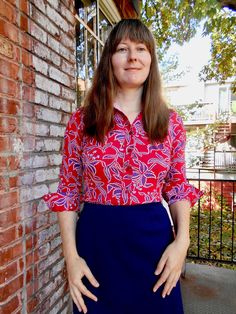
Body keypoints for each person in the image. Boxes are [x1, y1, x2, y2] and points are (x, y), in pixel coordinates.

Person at [43, 19, 202, 314]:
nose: (133, 57)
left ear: (150, 59)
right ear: (109, 60)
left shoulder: (171, 122)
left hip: (154, 248)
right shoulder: (82, 121)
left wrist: (182, 243)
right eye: (122, 49)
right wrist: (71, 258)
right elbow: (67, 193)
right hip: (96, 246)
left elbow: (177, 186)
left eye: (141, 49)